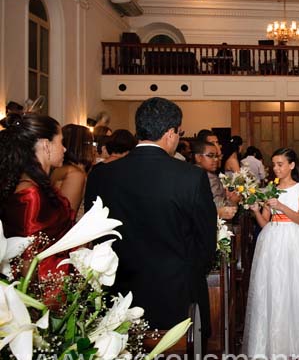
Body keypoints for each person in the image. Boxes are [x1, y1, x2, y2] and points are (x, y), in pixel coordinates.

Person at [85, 97, 217, 335]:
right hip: (176, 295)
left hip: (119, 294)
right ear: (170, 132)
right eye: (179, 132)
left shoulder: (101, 175)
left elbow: (97, 236)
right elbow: (206, 241)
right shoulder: (190, 177)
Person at [243, 148, 299, 360]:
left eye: (280, 164)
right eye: (274, 164)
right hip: (273, 239)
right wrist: (256, 211)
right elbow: (265, 222)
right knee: (276, 288)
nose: (276, 168)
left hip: (296, 240)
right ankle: (277, 342)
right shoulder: (270, 188)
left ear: (292, 166)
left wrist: (281, 205)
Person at [0, 112, 73, 281]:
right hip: (43, 291)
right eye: (61, 142)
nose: (64, 149)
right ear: (46, 145)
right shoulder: (30, 194)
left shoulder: (38, 186)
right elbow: (27, 257)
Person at [50, 124, 95, 215]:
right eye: (92, 143)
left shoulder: (65, 169)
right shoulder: (74, 174)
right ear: (82, 146)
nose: (94, 148)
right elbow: (67, 216)